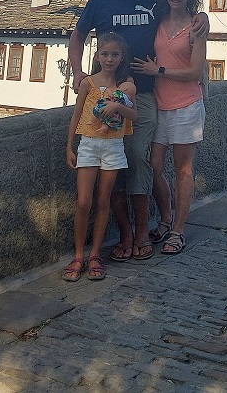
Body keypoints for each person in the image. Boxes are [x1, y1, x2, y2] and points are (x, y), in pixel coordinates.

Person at [67, 0, 208, 262]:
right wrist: (77, 72)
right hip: (102, 95)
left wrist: (204, 17)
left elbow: (183, 7)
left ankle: (144, 230)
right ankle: (127, 233)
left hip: (144, 95)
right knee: (112, 163)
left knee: (135, 158)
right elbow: (77, 37)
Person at [132, 0, 207, 256]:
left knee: (183, 169)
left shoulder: (195, 28)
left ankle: (178, 230)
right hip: (159, 103)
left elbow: (195, 72)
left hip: (186, 105)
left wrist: (159, 71)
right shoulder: (158, 21)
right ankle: (165, 217)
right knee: (154, 164)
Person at [63, 33, 136, 282]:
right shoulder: (88, 83)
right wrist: (70, 146)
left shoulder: (125, 85)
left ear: (121, 57)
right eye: (105, 54)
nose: (109, 59)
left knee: (103, 201)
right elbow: (76, 115)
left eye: (115, 54)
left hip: (113, 145)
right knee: (84, 201)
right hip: (90, 144)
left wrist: (118, 106)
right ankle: (78, 254)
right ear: (97, 56)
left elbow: (133, 115)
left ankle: (94, 254)